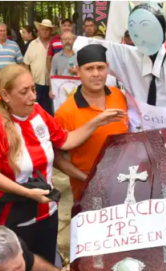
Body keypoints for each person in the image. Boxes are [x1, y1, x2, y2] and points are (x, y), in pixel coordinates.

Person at [0, 64, 125, 271]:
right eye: (24, 92)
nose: (33, 97)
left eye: (33, 89)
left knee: (44, 265)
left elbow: (64, 141)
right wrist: (26, 193)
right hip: (16, 214)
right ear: (5, 95)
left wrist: (97, 121)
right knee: (17, 270)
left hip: (47, 208)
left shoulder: (38, 113)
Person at [55, 44, 129, 200]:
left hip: (124, 184)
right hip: (86, 191)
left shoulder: (119, 96)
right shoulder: (66, 111)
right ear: (78, 70)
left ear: (107, 68)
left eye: (100, 68)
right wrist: (87, 179)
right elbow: (56, 158)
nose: (96, 74)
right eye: (89, 69)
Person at [24, 19, 53, 115]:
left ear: (51, 31)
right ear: (38, 31)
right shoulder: (32, 44)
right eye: (42, 29)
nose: (44, 31)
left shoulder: (54, 44)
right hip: (36, 82)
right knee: (34, 108)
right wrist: (29, 79)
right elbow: (26, 63)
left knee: (51, 110)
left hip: (52, 83)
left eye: (47, 29)